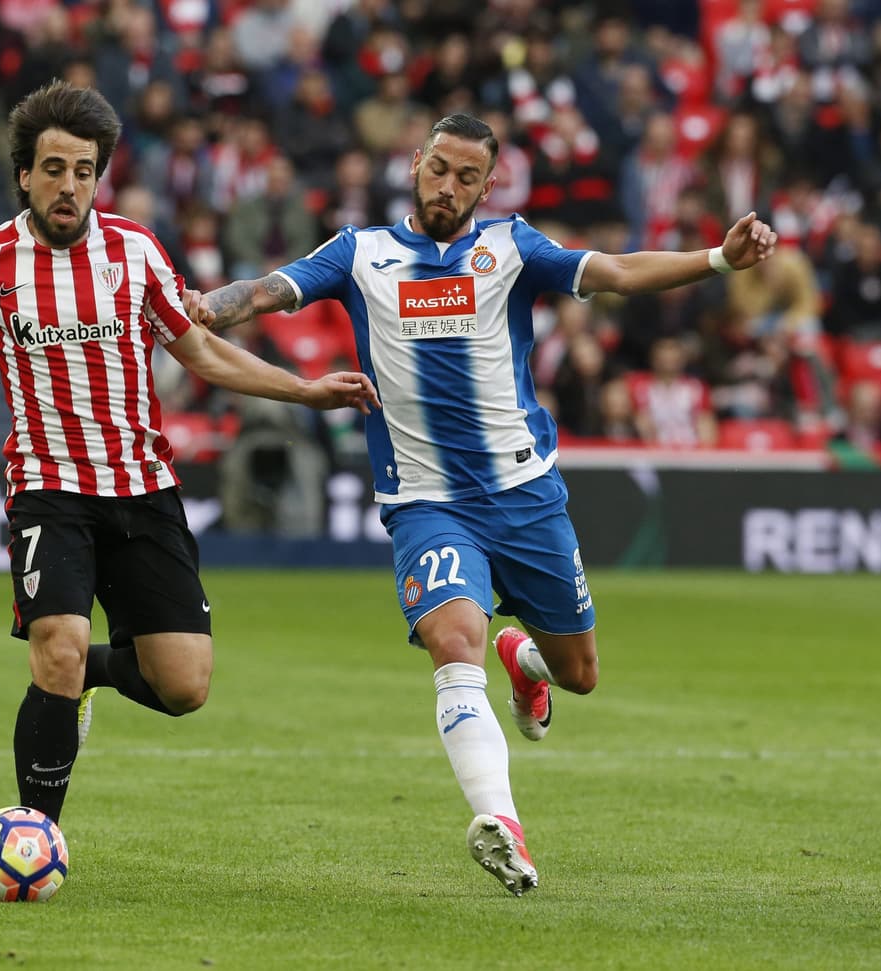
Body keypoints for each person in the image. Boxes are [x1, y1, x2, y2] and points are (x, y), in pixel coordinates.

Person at [193, 113, 778, 895]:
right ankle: (501, 821)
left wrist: (716, 258)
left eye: (467, 177)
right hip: (427, 501)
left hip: (525, 495)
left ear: (488, 184)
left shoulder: (512, 247)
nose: (449, 187)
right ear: (416, 163)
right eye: (439, 169)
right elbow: (268, 290)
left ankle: (527, 660)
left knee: (580, 674)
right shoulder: (361, 252)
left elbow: (616, 271)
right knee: (453, 637)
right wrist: (207, 306)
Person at [0, 81, 377, 828]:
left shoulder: (135, 252)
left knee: (184, 686)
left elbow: (199, 350)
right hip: (48, 489)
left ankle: (86, 676)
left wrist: (304, 390)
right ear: (25, 174)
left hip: (142, 489)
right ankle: (37, 833)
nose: (70, 186)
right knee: (57, 644)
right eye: (55, 168)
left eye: (85, 170)